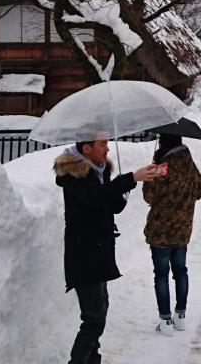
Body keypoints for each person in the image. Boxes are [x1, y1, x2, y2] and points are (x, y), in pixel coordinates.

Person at [56, 138, 162, 364]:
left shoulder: (98, 171)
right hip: (83, 255)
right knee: (94, 319)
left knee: (100, 310)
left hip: (99, 253)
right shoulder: (75, 175)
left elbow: (113, 206)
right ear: (87, 149)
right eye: (102, 144)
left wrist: (125, 188)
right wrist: (129, 178)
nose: (107, 148)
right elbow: (95, 198)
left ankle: (93, 359)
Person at [143, 134, 201, 337]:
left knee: (161, 274)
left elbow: (149, 196)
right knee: (181, 272)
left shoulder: (162, 167)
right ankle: (181, 316)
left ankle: (166, 321)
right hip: (182, 230)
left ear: (163, 143)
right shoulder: (190, 165)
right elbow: (199, 191)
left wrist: (151, 174)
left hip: (161, 232)